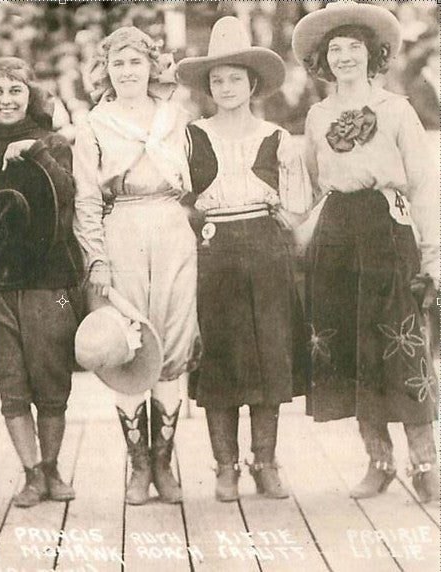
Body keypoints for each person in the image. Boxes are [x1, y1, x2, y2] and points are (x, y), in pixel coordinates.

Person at [292, 1, 439, 503]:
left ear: (373, 55)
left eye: (354, 48)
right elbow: (309, 185)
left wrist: (433, 255)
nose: (344, 57)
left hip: (386, 229)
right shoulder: (317, 115)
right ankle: (378, 460)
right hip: (336, 235)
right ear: (324, 60)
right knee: (354, 347)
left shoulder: (397, 110)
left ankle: (426, 464)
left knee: (403, 347)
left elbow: (422, 187)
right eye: (335, 50)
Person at [175, 17, 311, 502]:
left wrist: (281, 215)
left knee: (269, 354)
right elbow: (179, 198)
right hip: (214, 251)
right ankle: (225, 465)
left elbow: (297, 206)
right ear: (208, 87)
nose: (226, 87)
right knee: (222, 357)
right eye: (217, 79)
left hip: (267, 249)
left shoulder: (276, 137)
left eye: (235, 78)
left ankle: (266, 461)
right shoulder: (190, 136)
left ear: (252, 84)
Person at [73, 27, 198, 505]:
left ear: (151, 67)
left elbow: (196, 180)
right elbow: (86, 199)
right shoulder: (94, 123)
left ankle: (165, 463)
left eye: (136, 62)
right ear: (106, 70)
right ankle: (138, 466)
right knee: (129, 342)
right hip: (121, 228)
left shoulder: (175, 117)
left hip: (171, 226)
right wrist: (96, 261)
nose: (127, 72)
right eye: (118, 64)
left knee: (173, 342)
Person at [0, 56, 84, 508]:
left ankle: (52, 467)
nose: (6, 100)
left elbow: (68, 194)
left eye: (15, 90)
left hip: (49, 279)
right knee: (8, 374)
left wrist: (37, 152)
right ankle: (31, 473)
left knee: (52, 374)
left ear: (31, 95)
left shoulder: (53, 141)